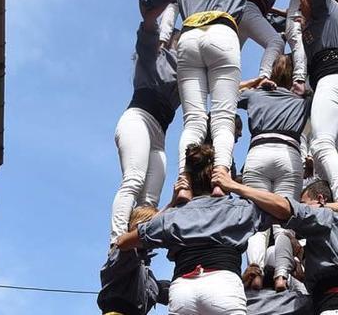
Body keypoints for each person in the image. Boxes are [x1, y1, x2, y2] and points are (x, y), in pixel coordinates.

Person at [139, 0, 290, 200]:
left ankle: (184, 181)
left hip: (188, 37)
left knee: (194, 121)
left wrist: (150, 19)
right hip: (222, 33)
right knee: (222, 118)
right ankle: (220, 178)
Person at [116, 144, 275, 315]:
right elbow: (282, 208)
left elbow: (123, 242)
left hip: (183, 290)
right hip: (222, 285)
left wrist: (171, 204)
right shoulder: (238, 209)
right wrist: (237, 187)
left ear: (189, 180)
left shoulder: (173, 216)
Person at [213, 172, 338, 315]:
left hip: (336, 308)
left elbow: (285, 208)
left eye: (305, 203)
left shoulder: (326, 217)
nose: (304, 207)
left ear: (320, 199)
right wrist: (305, 275)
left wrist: (236, 187)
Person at [277, 0, 338, 203]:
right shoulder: (335, 20)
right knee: (327, 156)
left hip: (331, 82)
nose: (299, 6)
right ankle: (328, 199)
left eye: (301, 0)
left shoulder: (325, 4)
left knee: (321, 145)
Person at [238, 54, 310, 292]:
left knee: (257, 219)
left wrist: (255, 83)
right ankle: (281, 275)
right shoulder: (300, 100)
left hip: (258, 151)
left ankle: (255, 272)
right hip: (289, 153)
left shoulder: (257, 94)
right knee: (285, 218)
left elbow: (224, 91)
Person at [108, 20, 179, 244]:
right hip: (138, 120)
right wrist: (155, 20)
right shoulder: (153, 57)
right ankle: (117, 238)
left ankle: (140, 246)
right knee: (134, 179)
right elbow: (146, 37)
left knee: (150, 201)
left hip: (159, 136)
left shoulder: (187, 73)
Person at [99, 206, 169, 315]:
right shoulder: (122, 253)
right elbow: (126, 245)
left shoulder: (145, 273)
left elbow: (162, 291)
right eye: (154, 229)